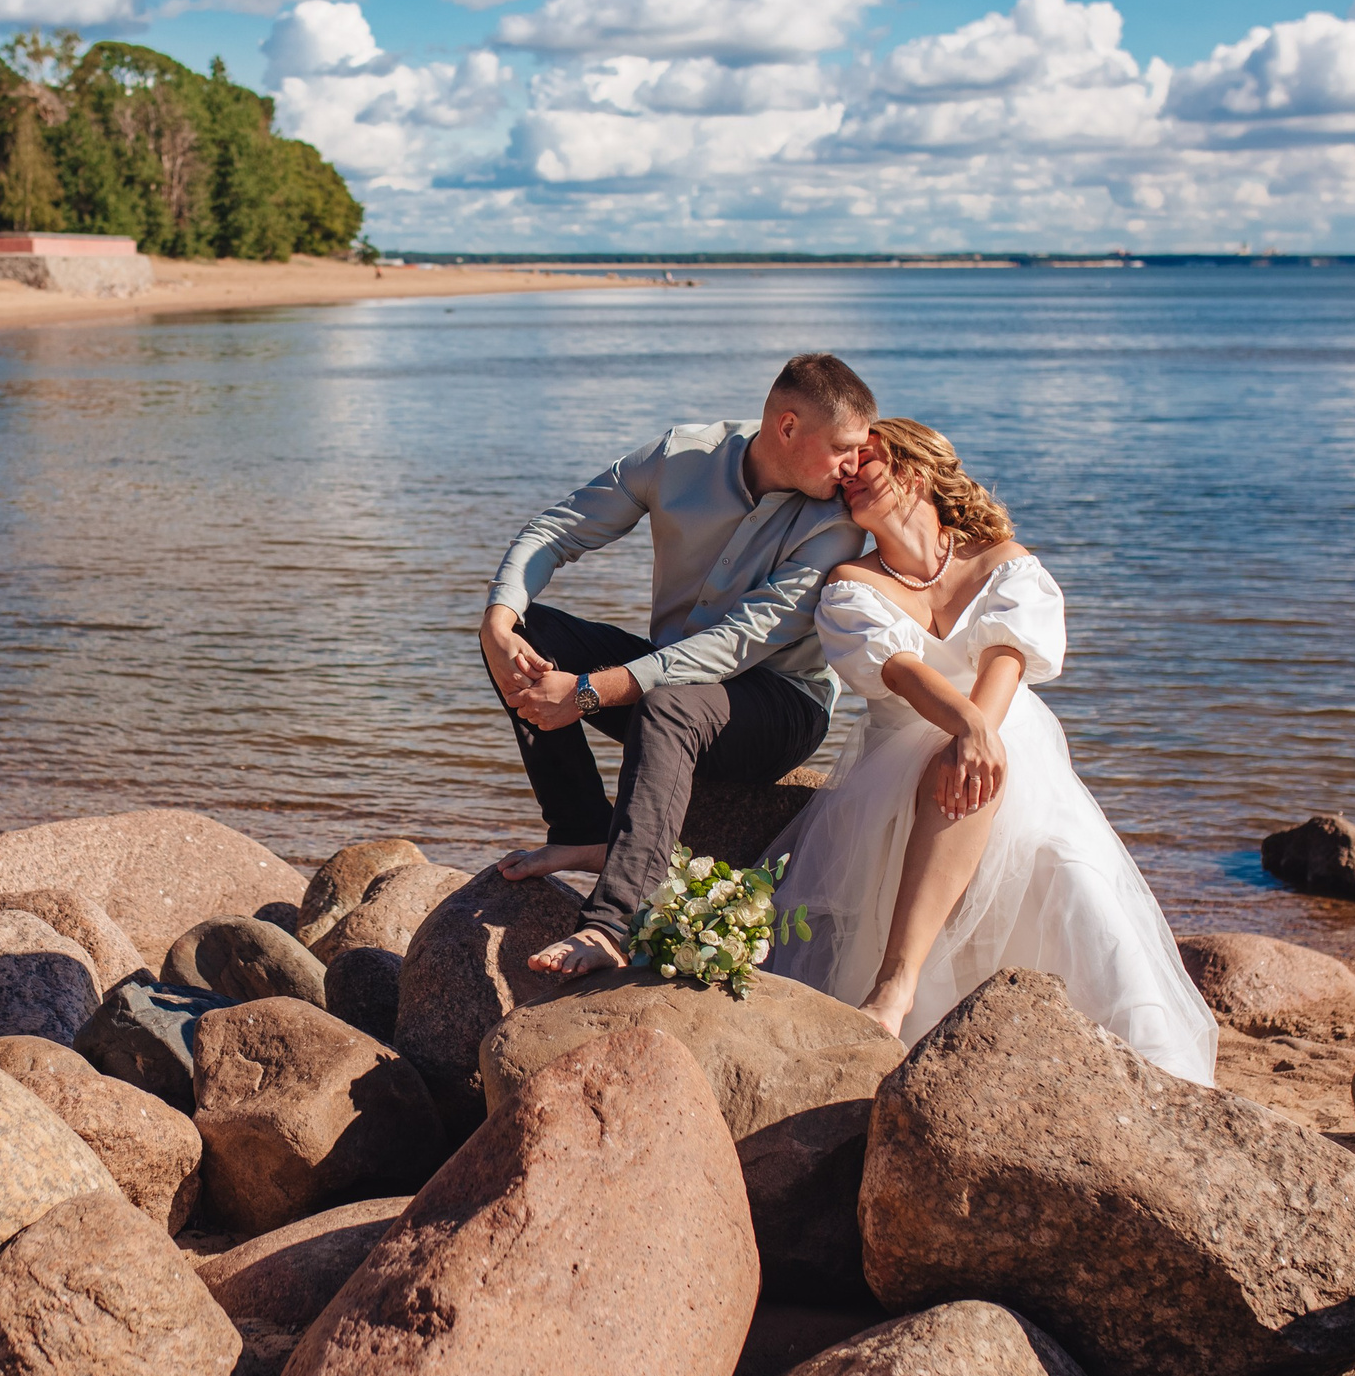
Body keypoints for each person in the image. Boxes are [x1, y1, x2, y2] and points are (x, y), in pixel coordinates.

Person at [764, 418, 1217, 1083]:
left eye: (870, 458)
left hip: (1011, 747)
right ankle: (896, 987)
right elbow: (899, 672)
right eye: (847, 464)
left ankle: (1156, 1064)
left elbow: (1007, 658)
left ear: (916, 470)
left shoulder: (1003, 560)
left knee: (1065, 868)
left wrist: (977, 733)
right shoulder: (850, 582)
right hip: (902, 766)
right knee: (954, 766)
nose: (850, 471)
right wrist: (965, 730)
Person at [482, 353, 876, 975]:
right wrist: (497, 619)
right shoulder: (681, 456)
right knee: (526, 631)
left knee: (669, 702)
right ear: (788, 426)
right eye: (843, 449)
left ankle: (612, 923)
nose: (854, 466)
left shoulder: (837, 523)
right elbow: (558, 528)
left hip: (780, 704)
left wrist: (585, 693)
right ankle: (583, 829)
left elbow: (738, 641)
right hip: (671, 678)